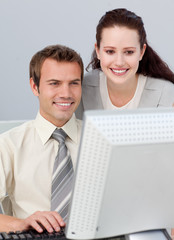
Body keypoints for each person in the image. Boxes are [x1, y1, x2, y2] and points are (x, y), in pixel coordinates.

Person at [0, 44, 83, 233]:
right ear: (34, 86)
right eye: (54, 83)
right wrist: (19, 224)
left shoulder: (103, 141)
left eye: (74, 83)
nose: (66, 93)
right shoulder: (8, 145)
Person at [75, 8, 174, 119]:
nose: (119, 62)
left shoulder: (165, 93)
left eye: (129, 52)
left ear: (141, 52)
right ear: (98, 51)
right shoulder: (81, 88)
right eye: (110, 51)